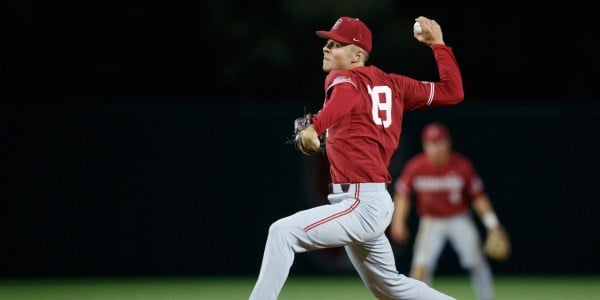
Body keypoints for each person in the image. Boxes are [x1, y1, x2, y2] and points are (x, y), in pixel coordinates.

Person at [249, 15, 464, 300]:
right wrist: (438, 45)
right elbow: (453, 92)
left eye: (336, 44)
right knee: (390, 288)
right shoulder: (395, 85)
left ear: (357, 55)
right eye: (326, 43)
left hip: (360, 203)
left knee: (282, 233)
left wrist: (317, 124)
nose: (326, 48)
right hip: (369, 202)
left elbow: (346, 97)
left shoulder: (343, 78)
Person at [389, 122, 510, 300]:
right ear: (425, 145)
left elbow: (478, 197)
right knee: (420, 267)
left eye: (439, 142)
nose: (435, 147)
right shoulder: (416, 166)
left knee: (477, 262)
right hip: (431, 221)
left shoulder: (461, 166)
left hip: (459, 219)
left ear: (448, 143)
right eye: (431, 143)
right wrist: (398, 221)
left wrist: (492, 224)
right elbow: (402, 195)